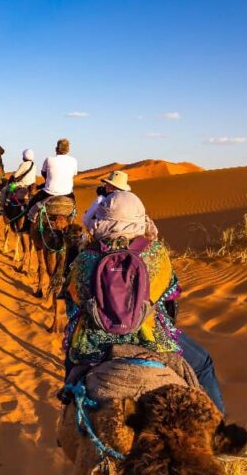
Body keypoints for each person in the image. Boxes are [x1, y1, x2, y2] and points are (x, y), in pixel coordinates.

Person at [62, 191, 181, 374]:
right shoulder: (157, 254)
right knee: (204, 365)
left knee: (71, 376)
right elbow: (171, 295)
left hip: (92, 349)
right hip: (151, 342)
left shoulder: (85, 258)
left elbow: (73, 303)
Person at [29, 138, 78, 213]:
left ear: (56, 149)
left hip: (49, 193)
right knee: (73, 210)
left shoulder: (49, 159)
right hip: (68, 193)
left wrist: (48, 179)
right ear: (68, 150)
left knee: (30, 205)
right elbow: (73, 174)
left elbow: (43, 173)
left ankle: (26, 224)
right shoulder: (74, 161)